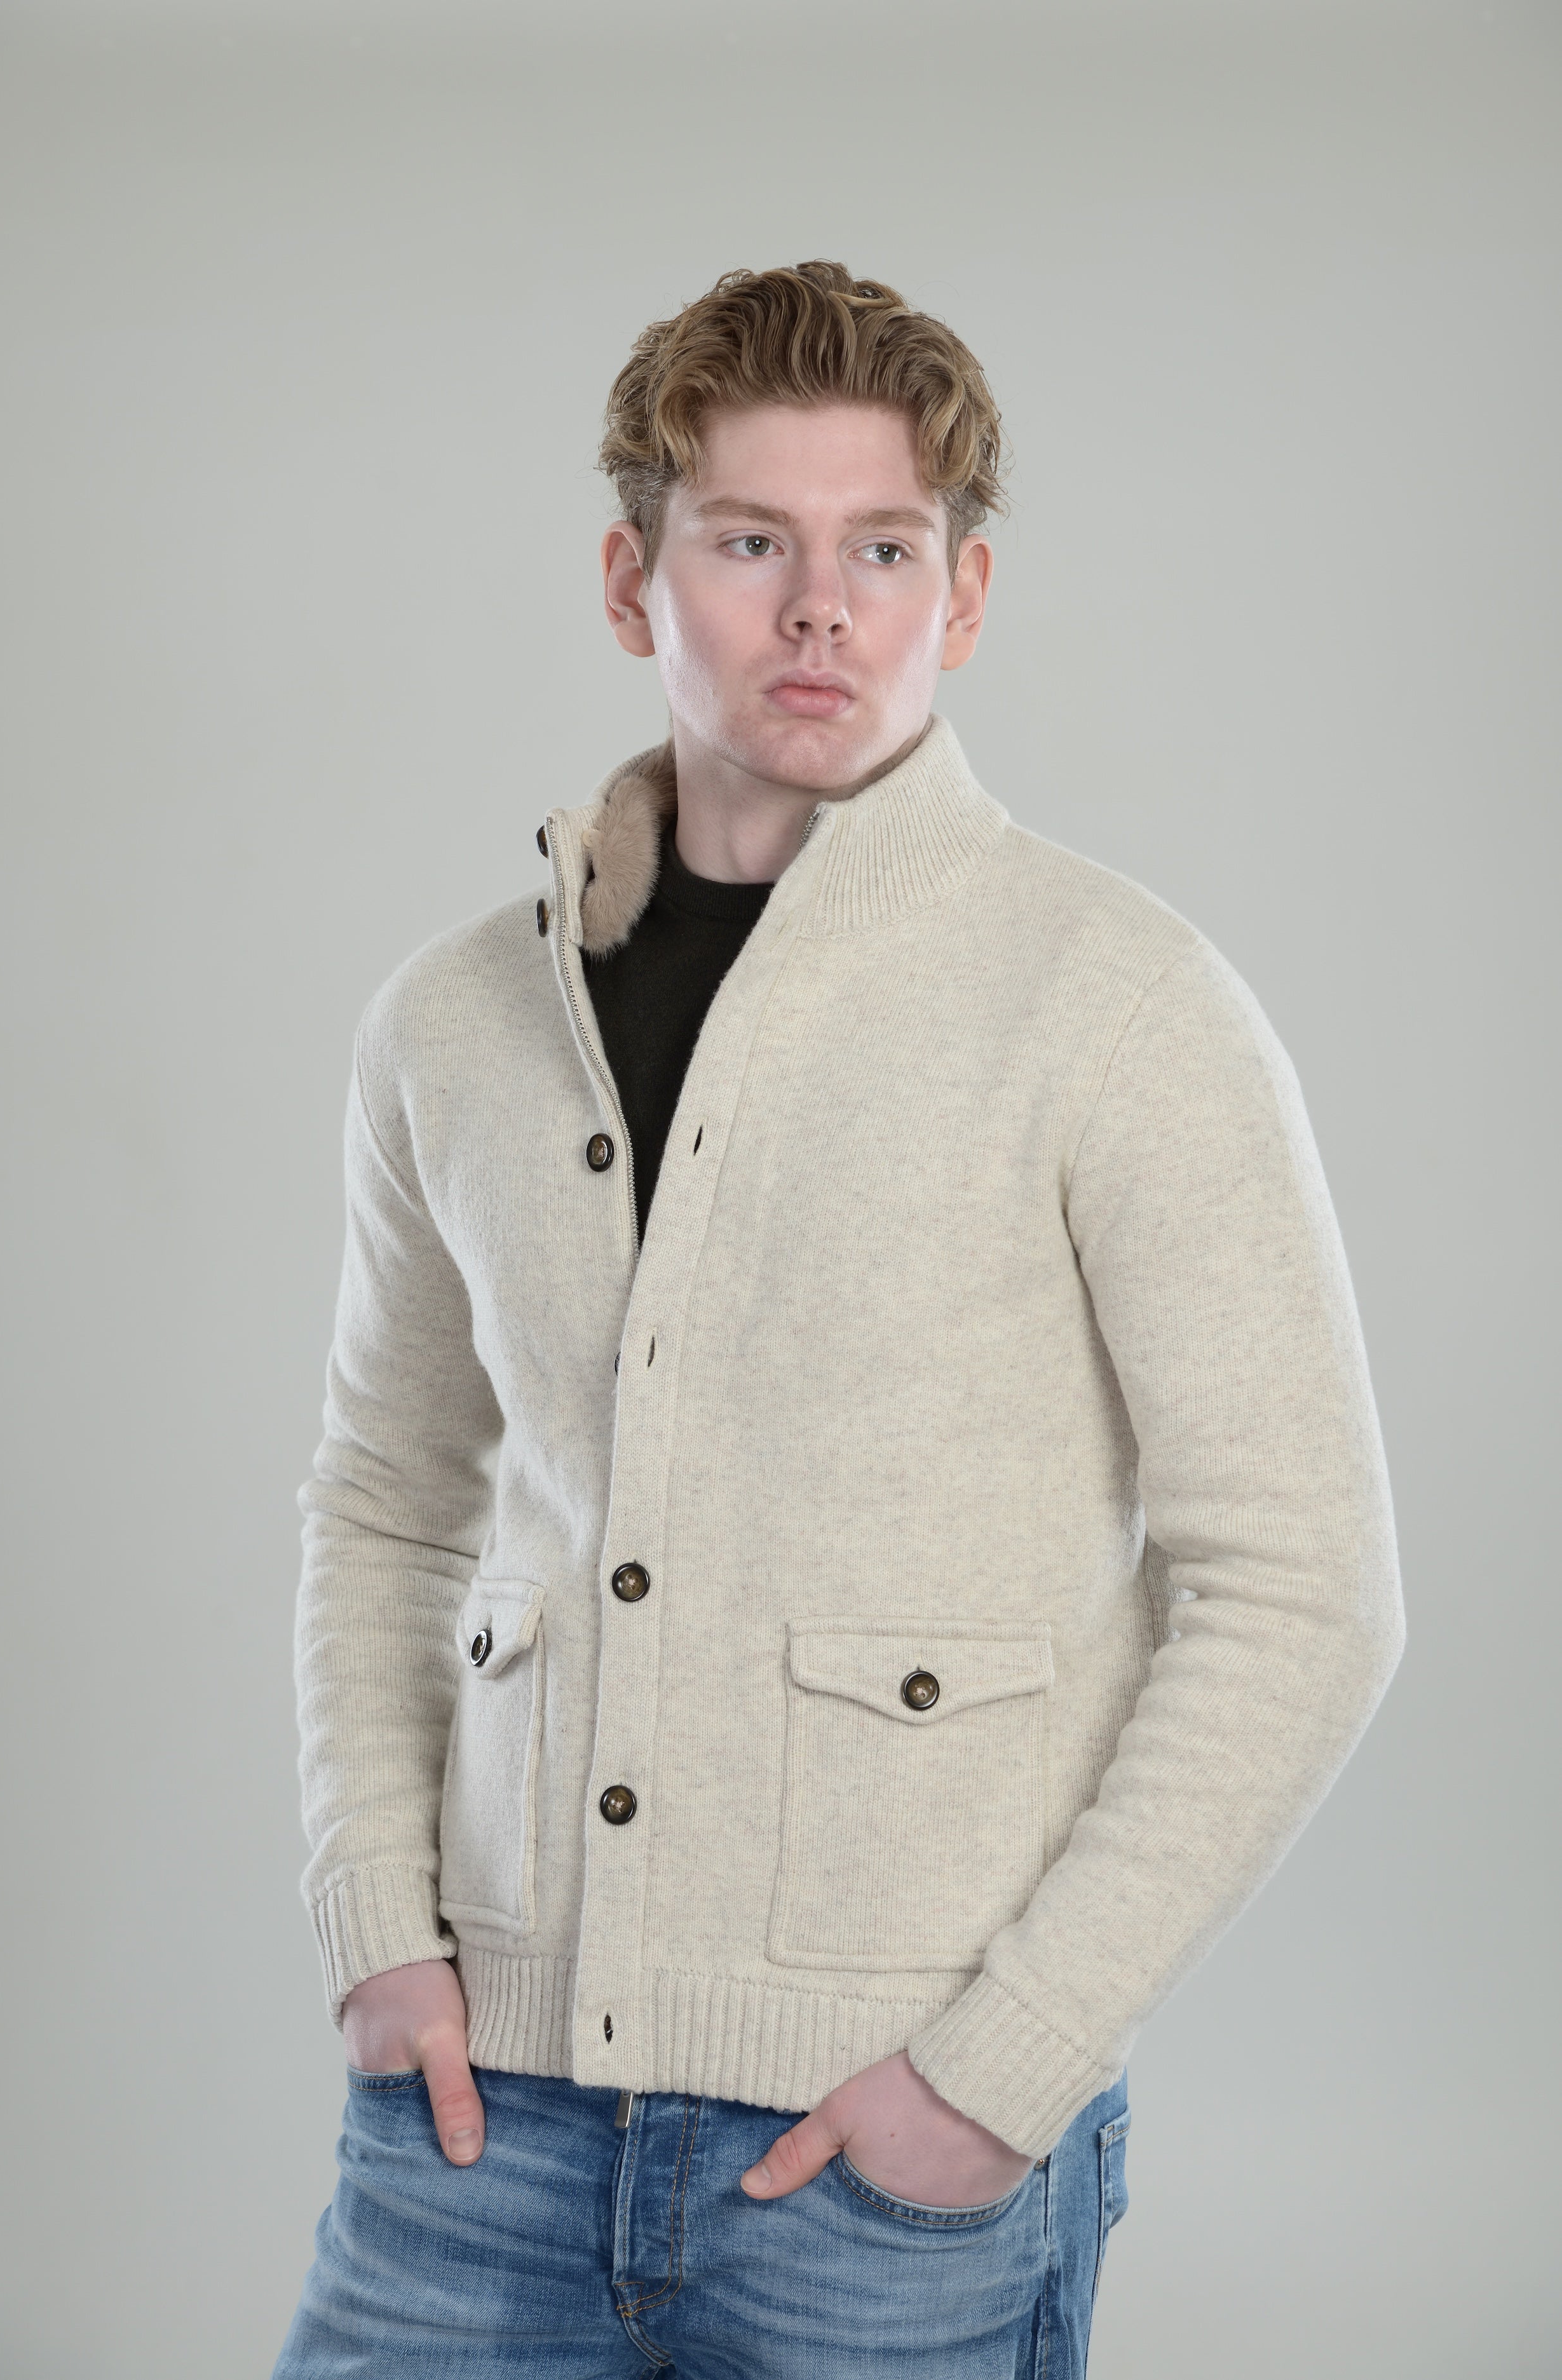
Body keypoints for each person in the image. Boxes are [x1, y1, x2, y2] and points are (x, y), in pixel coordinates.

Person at [275, 261, 1404, 2377]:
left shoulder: (1120, 1006)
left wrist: (1004, 2062)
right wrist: (377, 1923)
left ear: (958, 597)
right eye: (749, 542)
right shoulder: (454, 1018)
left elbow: (1304, 1590)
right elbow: (384, 1501)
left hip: (884, 2160)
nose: (820, 609)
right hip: (474, 2117)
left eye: (881, 550)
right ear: (633, 578)